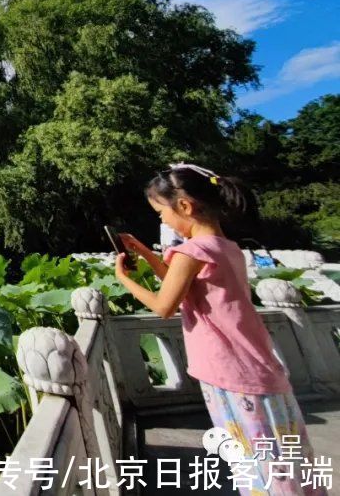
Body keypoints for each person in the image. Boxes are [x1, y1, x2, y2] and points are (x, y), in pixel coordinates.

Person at [114, 162, 326, 496]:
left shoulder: (190, 251)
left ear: (184, 206)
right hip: (257, 366)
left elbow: (164, 305)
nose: (163, 221)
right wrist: (144, 253)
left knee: (257, 464)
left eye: (160, 213)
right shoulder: (225, 247)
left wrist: (124, 279)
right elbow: (180, 284)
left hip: (229, 371)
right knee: (288, 458)